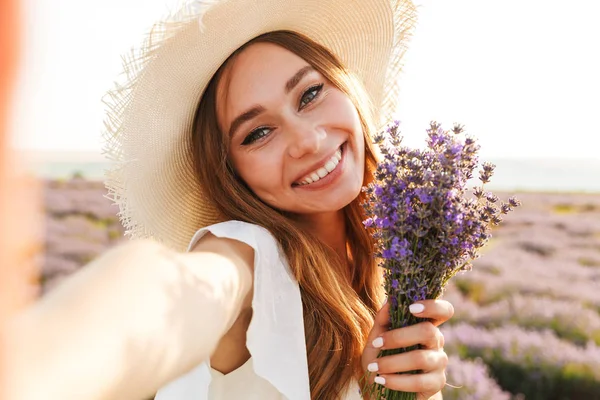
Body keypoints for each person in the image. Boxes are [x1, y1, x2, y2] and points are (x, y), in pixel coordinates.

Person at [4, 0, 455, 399]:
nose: (306, 140)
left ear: (346, 91)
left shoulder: (384, 279)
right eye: (257, 133)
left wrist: (410, 390)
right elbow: (174, 291)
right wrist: (39, 365)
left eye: (310, 94)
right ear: (229, 173)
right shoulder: (248, 255)